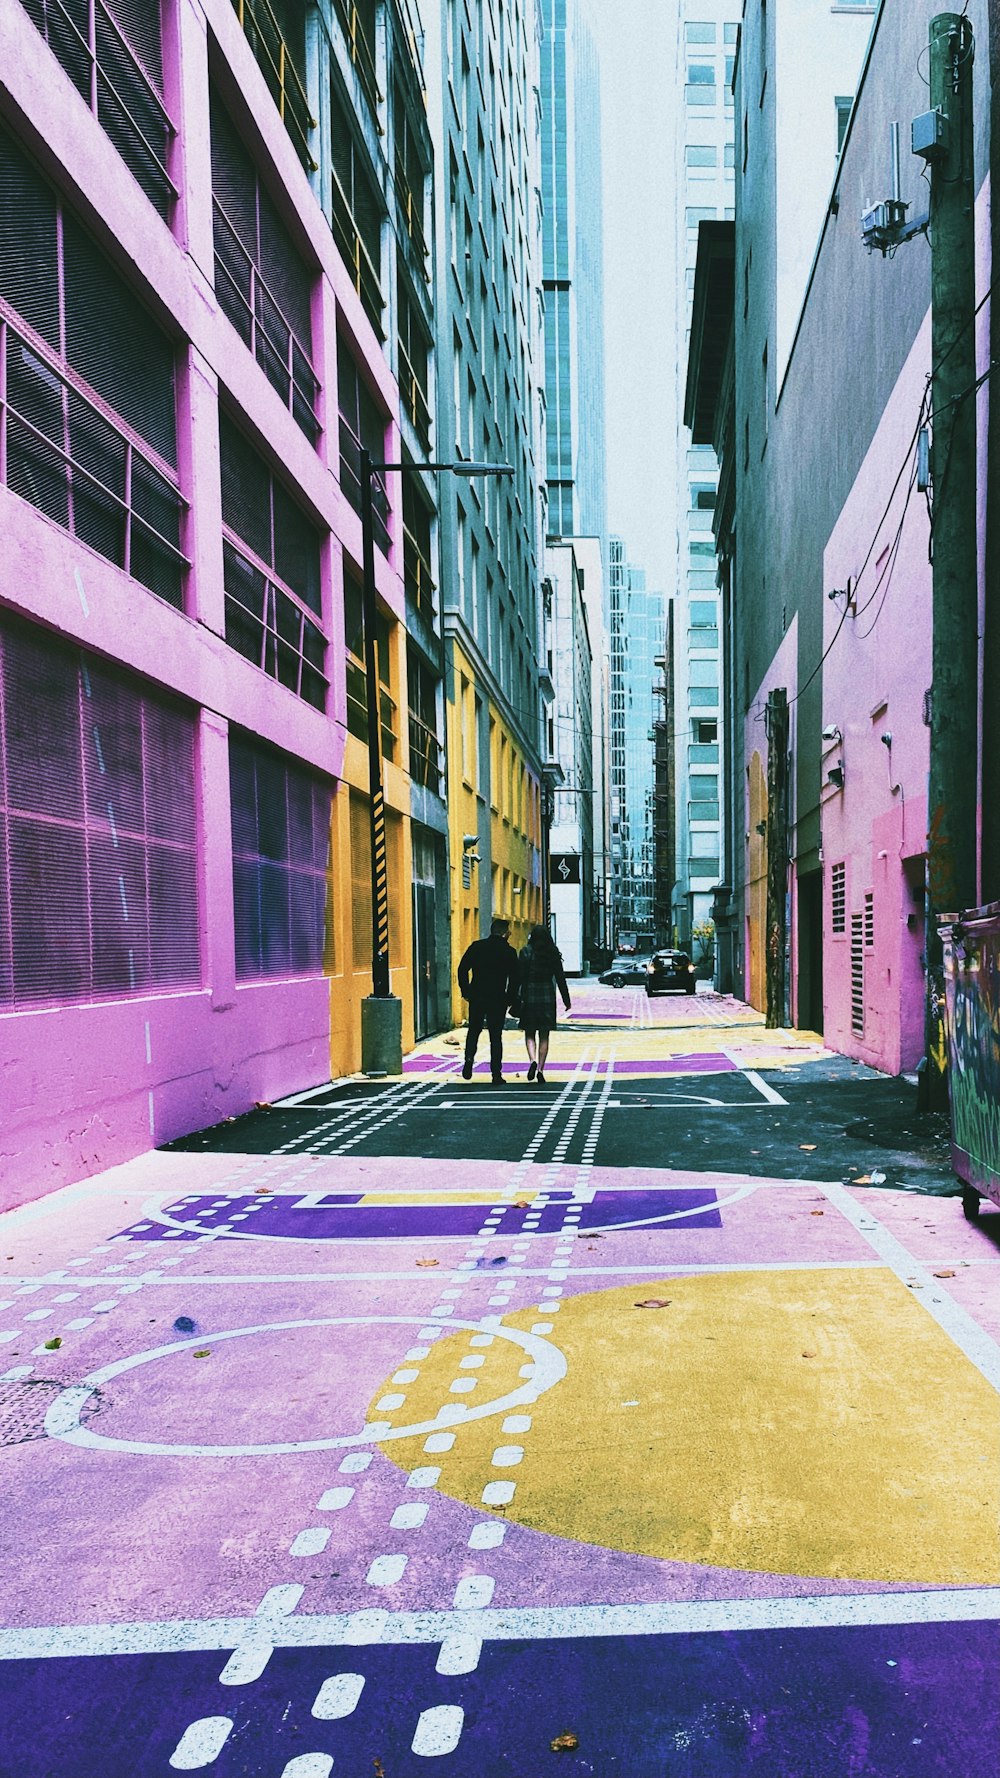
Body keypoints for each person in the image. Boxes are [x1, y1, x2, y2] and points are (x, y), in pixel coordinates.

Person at [457, 917, 520, 1084]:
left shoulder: (477, 947)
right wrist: (510, 997)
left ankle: (469, 1059)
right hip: (497, 997)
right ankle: (496, 1073)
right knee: (495, 1036)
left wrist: (466, 990)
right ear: (506, 933)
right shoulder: (509, 952)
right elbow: (515, 978)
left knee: (474, 1030)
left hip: (477, 995)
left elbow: (462, 968)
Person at [518, 924, 571, 1084]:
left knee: (529, 1033)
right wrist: (566, 999)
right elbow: (560, 977)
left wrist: (514, 996)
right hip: (547, 995)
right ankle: (541, 1069)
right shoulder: (552, 953)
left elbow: (519, 976)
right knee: (544, 1035)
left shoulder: (526, 952)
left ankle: (532, 1060)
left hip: (530, 995)